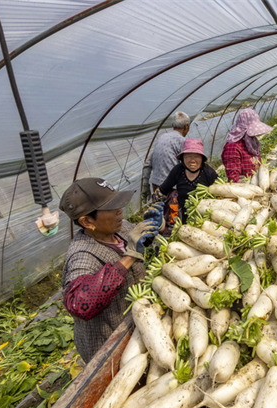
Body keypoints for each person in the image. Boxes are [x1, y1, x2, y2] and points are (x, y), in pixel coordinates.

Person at [59, 177, 162, 363]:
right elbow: (79, 303)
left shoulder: (120, 231)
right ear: (87, 222)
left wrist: (153, 229)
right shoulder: (83, 255)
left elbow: (140, 244)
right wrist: (129, 256)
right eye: (111, 208)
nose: (119, 211)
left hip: (143, 326)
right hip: (110, 347)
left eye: (118, 204)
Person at [154, 138, 218, 225]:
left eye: (196, 156)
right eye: (188, 156)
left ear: (202, 158)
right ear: (182, 158)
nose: (192, 160)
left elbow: (218, 196)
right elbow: (163, 189)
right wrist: (152, 201)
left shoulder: (209, 173)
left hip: (204, 218)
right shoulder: (178, 170)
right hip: (181, 216)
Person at [221, 108, 273, 182]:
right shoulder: (233, 147)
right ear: (243, 129)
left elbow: (256, 162)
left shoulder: (251, 141)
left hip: (256, 182)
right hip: (244, 188)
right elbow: (234, 177)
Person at [148, 111, 190, 193]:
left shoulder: (162, 137)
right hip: (170, 187)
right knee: (173, 205)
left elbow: (148, 162)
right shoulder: (182, 141)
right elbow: (188, 165)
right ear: (186, 127)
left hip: (156, 184)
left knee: (158, 204)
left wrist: (145, 185)